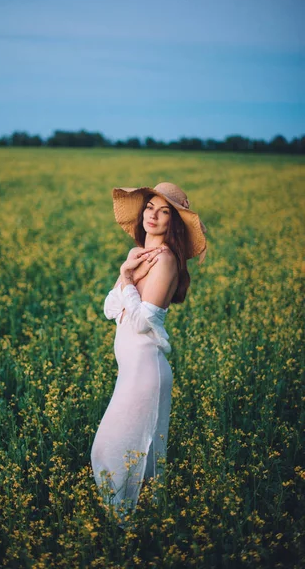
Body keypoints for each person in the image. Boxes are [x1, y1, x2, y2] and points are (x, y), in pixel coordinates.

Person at [90, 182, 207, 528]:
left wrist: (127, 282)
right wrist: (126, 271)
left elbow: (142, 322)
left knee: (111, 452)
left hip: (146, 374)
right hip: (132, 373)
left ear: (173, 223)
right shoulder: (138, 254)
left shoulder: (167, 261)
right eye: (149, 207)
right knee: (141, 463)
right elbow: (111, 308)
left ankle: (124, 530)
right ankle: (144, 532)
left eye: (164, 211)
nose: (153, 215)